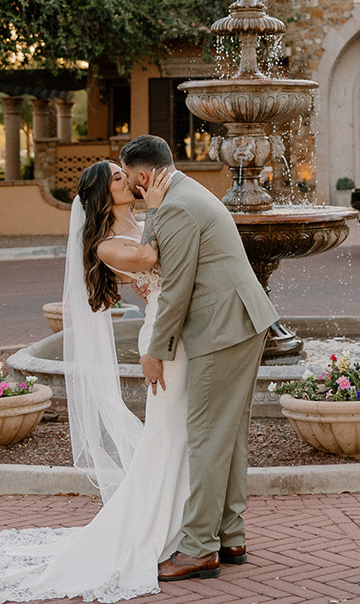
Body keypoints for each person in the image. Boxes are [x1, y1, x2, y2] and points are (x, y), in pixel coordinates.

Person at [0, 158, 189, 604]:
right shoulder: (108, 245)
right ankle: (155, 528)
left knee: (178, 431)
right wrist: (160, 203)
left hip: (180, 330)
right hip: (161, 337)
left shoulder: (145, 219)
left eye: (124, 173)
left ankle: (181, 519)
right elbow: (152, 257)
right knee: (165, 432)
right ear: (101, 195)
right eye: (117, 177)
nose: (128, 180)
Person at [119, 133, 278, 581]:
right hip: (240, 323)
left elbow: (176, 288)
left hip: (222, 328)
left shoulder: (176, 206)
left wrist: (156, 352)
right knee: (226, 434)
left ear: (144, 175)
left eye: (132, 179)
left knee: (206, 436)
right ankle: (231, 535)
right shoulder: (181, 196)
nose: (132, 187)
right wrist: (151, 209)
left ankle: (199, 548)